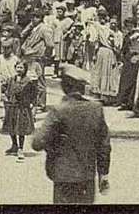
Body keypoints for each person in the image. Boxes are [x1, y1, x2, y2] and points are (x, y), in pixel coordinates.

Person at [32, 62, 111, 205]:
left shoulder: (59, 111)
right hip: (87, 177)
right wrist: (103, 174)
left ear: (64, 87)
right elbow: (104, 146)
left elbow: (37, 143)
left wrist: (54, 144)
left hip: (63, 177)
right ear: (82, 88)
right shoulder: (96, 109)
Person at [2, 60, 37, 161]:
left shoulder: (28, 81)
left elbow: (33, 93)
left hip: (22, 108)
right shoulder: (11, 79)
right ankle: (14, 145)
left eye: (21, 68)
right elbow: (5, 88)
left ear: (25, 69)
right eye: (18, 67)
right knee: (11, 127)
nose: (19, 70)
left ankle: (20, 148)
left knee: (20, 129)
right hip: (12, 106)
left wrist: (32, 103)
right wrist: (4, 94)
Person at [20, 9, 53, 111]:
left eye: (36, 17)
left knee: (39, 81)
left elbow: (50, 45)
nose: (33, 19)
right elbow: (22, 34)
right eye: (33, 17)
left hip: (37, 57)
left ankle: (41, 104)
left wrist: (45, 56)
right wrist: (30, 25)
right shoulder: (33, 28)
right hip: (29, 56)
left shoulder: (44, 29)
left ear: (41, 18)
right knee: (30, 79)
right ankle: (34, 101)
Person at [90, 9, 122, 105]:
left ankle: (107, 96)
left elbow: (94, 40)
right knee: (102, 73)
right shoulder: (100, 27)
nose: (102, 18)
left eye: (103, 16)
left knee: (108, 73)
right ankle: (103, 95)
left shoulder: (105, 28)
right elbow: (95, 40)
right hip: (103, 51)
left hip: (107, 52)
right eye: (100, 16)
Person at [117, 19, 139, 110]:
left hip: (133, 61)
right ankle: (124, 102)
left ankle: (131, 103)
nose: (129, 27)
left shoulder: (136, 36)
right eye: (127, 26)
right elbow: (124, 48)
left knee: (132, 82)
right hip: (127, 61)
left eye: (130, 25)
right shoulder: (127, 36)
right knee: (125, 81)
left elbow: (138, 48)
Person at [0, 38, 19, 108]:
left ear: (11, 48)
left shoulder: (14, 58)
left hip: (11, 79)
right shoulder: (0, 57)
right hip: (1, 79)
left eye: (8, 48)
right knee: (2, 95)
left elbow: (17, 69)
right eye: (4, 48)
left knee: (10, 95)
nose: (6, 50)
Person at [51, 3, 73, 76]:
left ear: (64, 12)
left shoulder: (68, 20)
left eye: (60, 12)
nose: (59, 13)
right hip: (56, 39)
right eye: (58, 12)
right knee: (56, 57)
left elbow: (72, 28)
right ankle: (56, 71)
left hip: (64, 40)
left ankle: (63, 72)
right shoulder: (55, 21)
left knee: (63, 56)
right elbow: (52, 30)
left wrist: (68, 33)